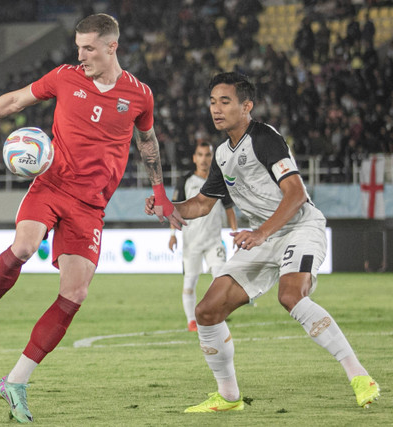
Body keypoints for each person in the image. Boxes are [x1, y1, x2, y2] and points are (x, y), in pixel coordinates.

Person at [0, 13, 184, 423]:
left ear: (112, 47)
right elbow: (14, 100)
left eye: (89, 48)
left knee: (75, 294)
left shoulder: (140, 95)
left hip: (90, 207)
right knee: (24, 246)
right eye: (78, 48)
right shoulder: (65, 77)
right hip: (51, 186)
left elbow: (147, 140)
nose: (81, 56)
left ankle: (15, 381)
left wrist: (159, 191)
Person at [145, 72, 380, 412]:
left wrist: (261, 233)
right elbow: (201, 204)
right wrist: (168, 207)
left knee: (290, 295)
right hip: (262, 237)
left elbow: (296, 194)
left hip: (298, 228)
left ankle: (360, 376)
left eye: (225, 101)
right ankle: (228, 396)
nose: (216, 109)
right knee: (207, 311)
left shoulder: (264, 137)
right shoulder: (222, 154)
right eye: (212, 102)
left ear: (247, 106)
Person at [168, 141, 237, 332]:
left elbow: (229, 209)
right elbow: (174, 207)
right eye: (200, 155)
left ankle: (216, 317)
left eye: (207, 155)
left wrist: (235, 233)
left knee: (220, 277)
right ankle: (192, 321)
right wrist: (172, 234)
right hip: (192, 243)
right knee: (189, 282)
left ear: (212, 157)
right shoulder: (186, 181)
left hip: (214, 240)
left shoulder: (219, 180)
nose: (204, 159)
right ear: (194, 158)